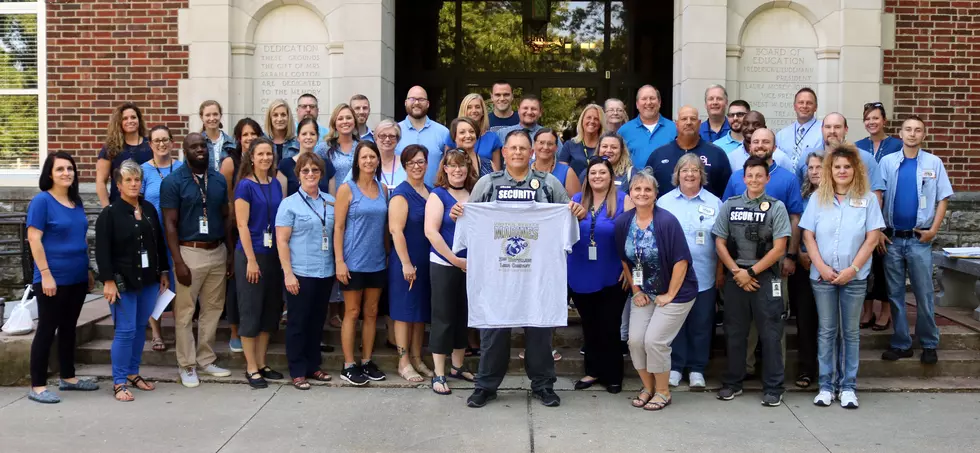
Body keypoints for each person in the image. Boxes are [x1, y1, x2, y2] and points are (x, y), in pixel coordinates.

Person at [458, 130, 587, 409]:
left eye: (522, 148)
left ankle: (543, 385)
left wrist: (577, 211)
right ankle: (486, 386)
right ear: (503, 153)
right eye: (512, 148)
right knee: (494, 330)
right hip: (498, 273)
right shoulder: (487, 183)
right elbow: (471, 219)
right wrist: (459, 213)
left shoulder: (548, 183)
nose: (517, 152)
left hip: (537, 275)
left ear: (531, 153)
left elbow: (567, 216)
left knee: (540, 330)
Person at [801, 144, 885, 409]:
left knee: (850, 333)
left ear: (855, 169)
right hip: (822, 278)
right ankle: (826, 386)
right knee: (827, 331)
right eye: (837, 166)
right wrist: (822, 267)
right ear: (830, 170)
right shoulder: (818, 198)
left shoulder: (868, 198)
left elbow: (872, 239)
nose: (842, 171)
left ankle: (848, 386)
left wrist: (853, 269)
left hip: (855, 278)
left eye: (847, 166)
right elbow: (807, 235)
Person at [613, 168, 698, 411]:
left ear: (655, 194)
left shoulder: (666, 221)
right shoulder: (623, 223)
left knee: (654, 341)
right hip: (644, 292)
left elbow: (681, 261)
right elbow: (625, 260)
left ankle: (663, 391)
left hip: (676, 292)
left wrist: (670, 294)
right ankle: (648, 387)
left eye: (647, 189)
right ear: (630, 192)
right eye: (637, 188)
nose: (642, 193)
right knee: (635, 341)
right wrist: (636, 290)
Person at [722, 128, 803, 380]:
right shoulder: (736, 178)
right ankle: (742, 371)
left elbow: (794, 218)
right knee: (741, 328)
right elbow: (723, 231)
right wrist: (737, 271)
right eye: (755, 141)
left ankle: (774, 376)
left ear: (774, 145)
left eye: (765, 141)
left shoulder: (788, 179)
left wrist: (790, 256)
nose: (760, 145)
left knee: (772, 325)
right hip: (738, 270)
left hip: (773, 268)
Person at [713, 157, 792, 407]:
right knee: (735, 333)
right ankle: (733, 383)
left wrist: (752, 272)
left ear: (767, 179)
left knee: (771, 334)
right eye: (750, 175)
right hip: (736, 276)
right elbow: (719, 242)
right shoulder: (730, 205)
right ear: (743, 178)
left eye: (760, 175)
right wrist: (737, 271)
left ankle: (773, 387)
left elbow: (780, 248)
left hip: (765, 278)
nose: (755, 180)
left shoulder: (777, 207)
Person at [875, 115, 952, 364]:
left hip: (920, 240)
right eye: (908, 129)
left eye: (917, 130)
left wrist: (934, 230)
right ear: (900, 132)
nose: (912, 134)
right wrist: (877, 230)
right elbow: (878, 196)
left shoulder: (934, 162)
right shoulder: (887, 162)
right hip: (894, 240)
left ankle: (929, 342)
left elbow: (943, 198)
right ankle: (901, 343)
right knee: (895, 294)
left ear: (923, 134)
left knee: (924, 293)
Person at [160, 133, 234, 387]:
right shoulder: (173, 182)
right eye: (194, 146)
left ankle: (205, 358)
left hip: (217, 250)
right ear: (185, 151)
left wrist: (230, 253)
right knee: (185, 312)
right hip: (189, 251)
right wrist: (178, 262)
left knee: (213, 310)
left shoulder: (218, 180)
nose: (200, 150)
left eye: (203, 145)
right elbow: (169, 224)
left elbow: (226, 217)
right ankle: (187, 364)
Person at [26, 152, 98, 404]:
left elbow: (80, 240)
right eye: (60, 169)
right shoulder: (42, 201)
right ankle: (37, 385)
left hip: (77, 277)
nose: (66, 173)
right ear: (49, 174)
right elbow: (34, 239)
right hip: (51, 278)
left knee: (69, 328)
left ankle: (68, 377)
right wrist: (45, 275)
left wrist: (88, 270)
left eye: (70, 168)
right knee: (47, 329)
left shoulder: (75, 202)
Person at [96, 160, 169, 401]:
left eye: (137, 179)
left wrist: (164, 272)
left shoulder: (148, 208)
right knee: (125, 331)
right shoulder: (110, 214)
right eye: (128, 180)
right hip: (122, 282)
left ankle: (133, 374)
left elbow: (158, 242)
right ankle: (118, 381)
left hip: (148, 280)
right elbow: (102, 251)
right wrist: (107, 281)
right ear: (118, 185)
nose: (134, 183)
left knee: (140, 329)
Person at [657, 153, 723, 389]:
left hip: (704, 273)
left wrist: (720, 271)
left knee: (701, 322)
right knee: (675, 323)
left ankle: (697, 369)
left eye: (695, 170)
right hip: (671, 276)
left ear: (701, 175)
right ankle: (675, 367)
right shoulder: (664, 202)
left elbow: (721, 241)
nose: (690, 174)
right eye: (685, 170)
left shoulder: (714, 203)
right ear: (677, 174)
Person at [569, 157, 632, 393]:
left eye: (602, 173)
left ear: (611, 176)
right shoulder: (576, 200)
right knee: (590, 325)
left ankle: (613, 374)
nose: (597, 177)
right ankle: (592, 371)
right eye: (593, 173)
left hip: (613, 274)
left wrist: (631, 270)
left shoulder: (624, 200)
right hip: (580, 271)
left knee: (609, 326)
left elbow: (634, 235)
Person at [276, 153, 338, 390]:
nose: (310, 174)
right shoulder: (289, 204)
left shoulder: (330, 202)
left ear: (321, 174)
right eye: (305, 171)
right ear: (298, 174)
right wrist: (288, 274)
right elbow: (282, 242)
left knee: (316, 322)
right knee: (298, 323)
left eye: (315, 170)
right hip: (300, 272)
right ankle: (298, 370)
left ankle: (314, 366)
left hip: (324, 272)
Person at [334, 141, 390, 385]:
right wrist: (339, 261)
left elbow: (386, 228)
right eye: (364, 157)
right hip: (353, 262)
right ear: (357, 161)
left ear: (378, 160)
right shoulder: (347, 189)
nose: (369, 161)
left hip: (377, 261)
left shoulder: (384, 189)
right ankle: (348, 364)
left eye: (373, 157)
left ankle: (366, 360)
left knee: (371, 312)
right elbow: (338, 227)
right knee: (352, 312)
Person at [424, 149, 479, 395]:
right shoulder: (438, 195)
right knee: (443, 317)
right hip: (445, 264)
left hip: (471, 266)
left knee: (463, 317)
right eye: (452, 166)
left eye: (462, 166)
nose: (457, 170)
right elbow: (431, 232)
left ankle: (457, 366)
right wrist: (455, 260)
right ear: (445, 169)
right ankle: (439, 372)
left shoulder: (475, 194)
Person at [234, 137, 285, 388]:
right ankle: (251, 367)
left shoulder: (275, 184)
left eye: (269, 154)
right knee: (251, 311)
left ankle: (263, 363)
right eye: (260, 154)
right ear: (251, 157)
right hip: (251, 254)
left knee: (269, 312)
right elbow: (242, 224)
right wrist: (251, 260)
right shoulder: (244, 186)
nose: (265, 158)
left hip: (273, 254)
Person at [388, 145, 434, 382]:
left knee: (419, 313)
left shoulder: (432, 191)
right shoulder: (401, 194)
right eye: (411, 163)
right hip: (406, 261)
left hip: (427, 261)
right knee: (404, 313)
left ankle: (417, 358)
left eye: (421, 161)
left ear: (427, 163)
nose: (417, 166)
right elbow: (396, 230)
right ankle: (403, 361)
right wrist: (406, 263)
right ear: (404, 166)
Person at [855, 102, 902, 331]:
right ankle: (866, 311)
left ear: (884, 120)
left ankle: (885, 312)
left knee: (884, 267)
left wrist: (881, 228)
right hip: (862, 215)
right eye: (867, 119)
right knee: (863, 265)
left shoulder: (897, 144)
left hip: (888, 215)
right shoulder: (857, 147)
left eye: (875, 118)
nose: (871, 122)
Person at [220, 118, 264, 353]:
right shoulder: (230, 163)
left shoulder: (264, 162)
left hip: (259, 229)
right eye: (245, 134)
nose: (249, 138)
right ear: (238, 138)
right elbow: (225, 197)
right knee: (236, 281)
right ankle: (235, 331)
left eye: (253, 133)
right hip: (235, 227)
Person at [141, 125, 184, 352]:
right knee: (155, 286)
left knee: (178, 287)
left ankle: (180, 332)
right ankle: (156, 333)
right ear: (150, 144)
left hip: (177, 236)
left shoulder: (182, 168)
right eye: (156, 140)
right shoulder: (143, 171)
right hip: (152, 237)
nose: (161, 144)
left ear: (172, 142)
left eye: (165, 139)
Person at [646, 106, 731, 198]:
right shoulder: (659, 155)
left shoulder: (716, 154)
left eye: (693, 119)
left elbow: (726, 192)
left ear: (699, 124)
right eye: (684, 119)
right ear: (676, 124)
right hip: (665, 211)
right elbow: (647, 188)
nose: (689, 122)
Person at [791, 152, 823, 390]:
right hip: (803, 265)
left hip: (828, 266)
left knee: (829, 322)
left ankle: (829, 369)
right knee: (805, 319)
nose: (813, 171)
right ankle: (806, 368)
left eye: (819, 167)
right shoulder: (801, 197)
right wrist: (799, 254)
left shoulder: (837, 198)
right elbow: (796, 226)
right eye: (810, 167)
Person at [96, 102, 152, 207]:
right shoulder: (110, 148)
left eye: (133, 117)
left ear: (139, 120)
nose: (130, 121)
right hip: (118, 207)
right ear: (119, 122)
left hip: (146, 206)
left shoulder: (150, 145)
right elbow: (100, 183)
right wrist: (107, 210)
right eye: (125, 118)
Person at [396, 85, 452, 185]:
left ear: (428, 104)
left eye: (421, 99)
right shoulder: (394, 132)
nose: (416, 103)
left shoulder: (443, 132)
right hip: (401, 196)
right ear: (405, 102)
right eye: (412, 99)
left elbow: (449, 166)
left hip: (434, 196)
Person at [618, 85, 677, 171]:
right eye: (644, 99)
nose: (648, 102)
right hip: (634, 183)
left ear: (659, 102)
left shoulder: (674, 129)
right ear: (637, 104)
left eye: (652, 98)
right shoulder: (624, 131)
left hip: (667, 183)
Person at [279, 118, 337, 196]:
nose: (308, 137)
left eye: (312, 134)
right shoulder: (285, 165)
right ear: (298, 138)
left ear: (317, 137)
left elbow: (332, 200)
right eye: (304, 134)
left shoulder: (327, 165)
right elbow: (282, 200)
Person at [447, 93, 503, 170]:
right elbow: (446, 164)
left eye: (477, 107)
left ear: (483, 111)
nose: (474, 111)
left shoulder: (493, 138)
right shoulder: (453, 134)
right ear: (464, 110)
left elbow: (496, 172)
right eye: (469, 107)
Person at [726, 111, 793, 172]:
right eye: (746, 124)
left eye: (756, 124)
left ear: (764, 127)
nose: (750, 128)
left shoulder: (781, 158)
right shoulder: (732, 157)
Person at [775, 87, 824, 170]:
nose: (804, 106)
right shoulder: (781, 135)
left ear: (815, 107)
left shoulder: (824, 131)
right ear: (794, 106)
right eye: (801, 102)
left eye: (809, 103)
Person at [558, 103, 604, 177]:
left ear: (601, 123)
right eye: (588, 117)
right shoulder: (569, 145)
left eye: (596, 119)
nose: (592, 121)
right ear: (582, 120)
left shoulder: (605, 147)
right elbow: (561, 174)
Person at [534, 128, 580, 196]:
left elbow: (576, 203)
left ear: (556, 148)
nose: (545, 147)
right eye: (541, 142)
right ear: (534, 145)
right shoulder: (524, 168)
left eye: (550, 144)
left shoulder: (567, 173)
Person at [323, 103, 359, 184]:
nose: (345, 121)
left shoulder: (362, 147)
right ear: (334, 123)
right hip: (333, 195)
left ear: (354, 122)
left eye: (349, 118)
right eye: (340, 119)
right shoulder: (324, 148)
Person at [200, 100, 236, 172]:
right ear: (201, 117)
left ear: (220, 115)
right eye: (208, 115)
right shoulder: (196, 143)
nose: (212, 118)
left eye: (215, 114)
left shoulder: (232, 143)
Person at [264, 99, 299, 163]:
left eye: (283, 115)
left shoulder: (297, 143)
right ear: (270, 118)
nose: (279, 119)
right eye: (275, 115)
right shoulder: (262, 141)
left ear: (288, 117)